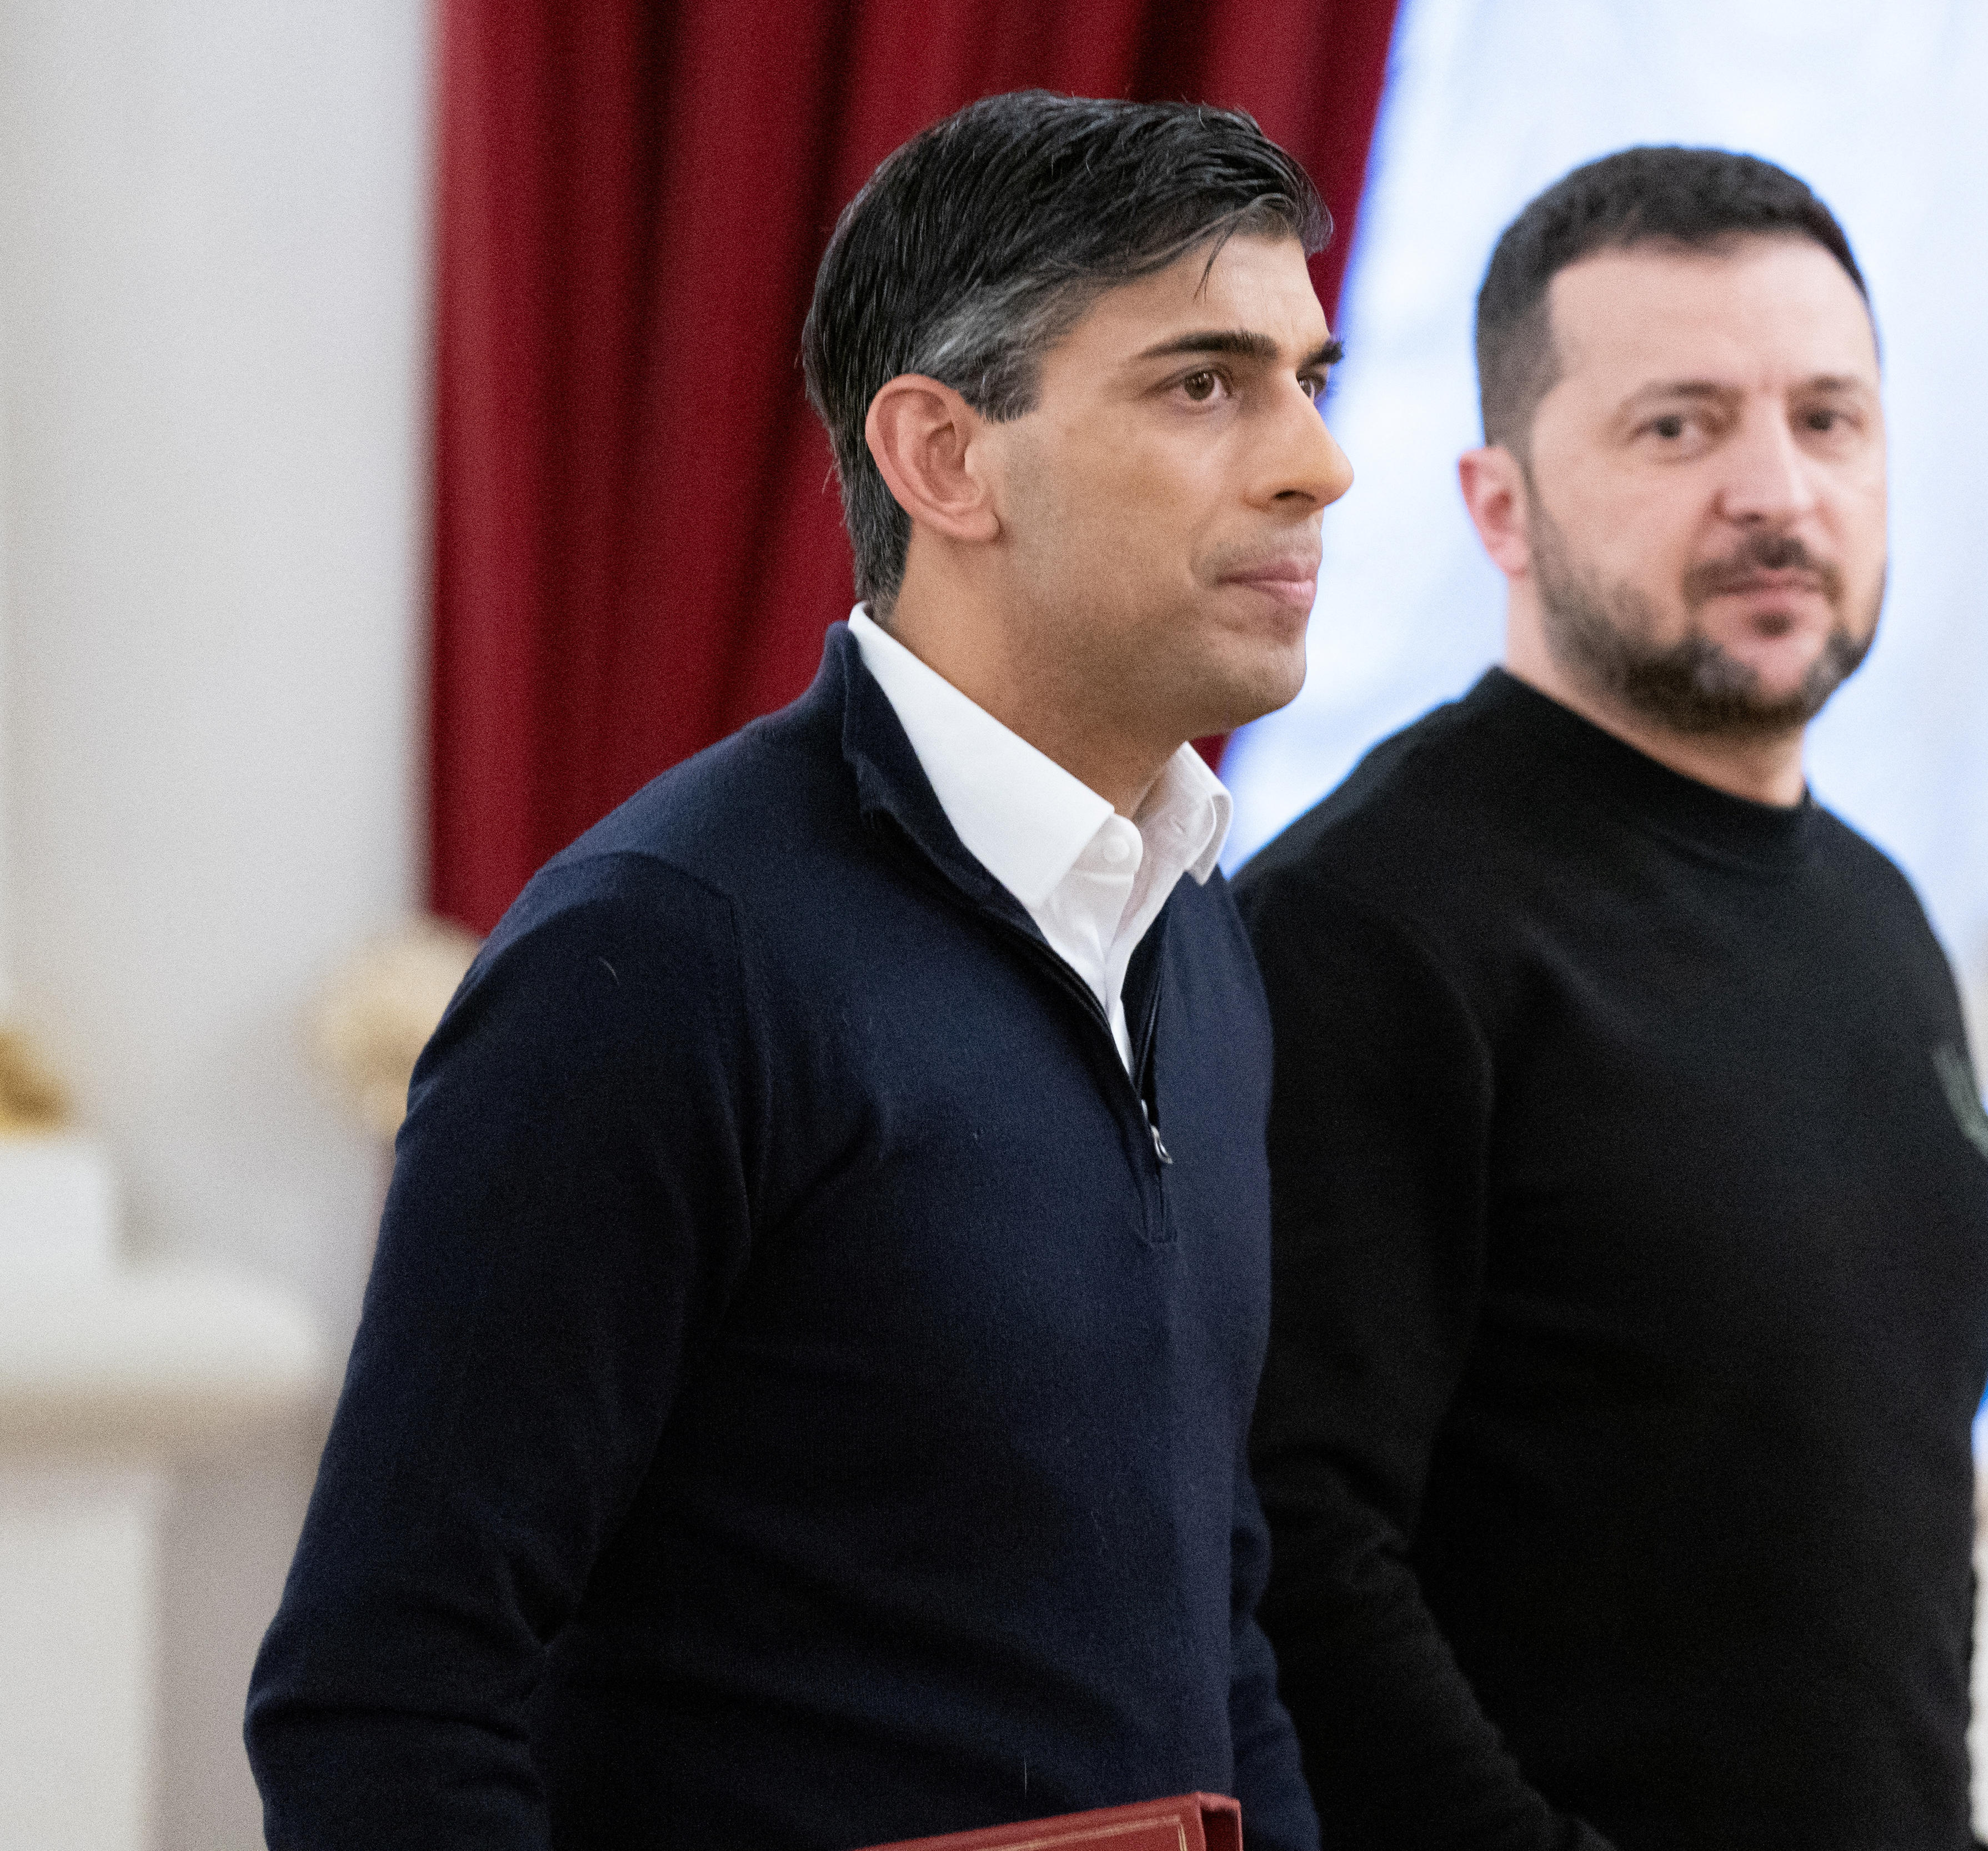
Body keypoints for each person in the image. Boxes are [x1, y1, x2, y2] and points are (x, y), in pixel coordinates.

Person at [248, 92, 1351, 1851]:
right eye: (1204, 382)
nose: (1317, 461)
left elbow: (1215, 1638)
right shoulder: (659, 955)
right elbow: (383, 1700)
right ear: (942, 455)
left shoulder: (1197, 938)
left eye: (1313, 377)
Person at [1234, 148, 1988, 1851]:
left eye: (1830, 419)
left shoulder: (1879, 921)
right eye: (1680, 427)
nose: (1777, 493)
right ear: (1496, 505)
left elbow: (1859, 1589)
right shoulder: (1357, 932)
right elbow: (1289, 1562)